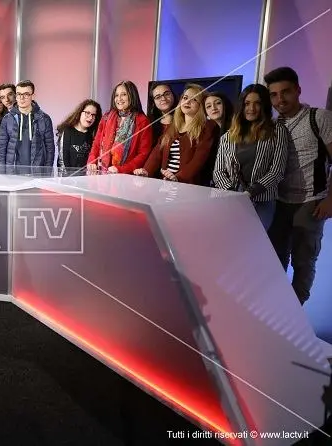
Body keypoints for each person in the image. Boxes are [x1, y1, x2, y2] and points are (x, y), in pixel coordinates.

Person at [264, 66, 332, 305]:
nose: (280, 99)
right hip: (280, 201)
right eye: (273, 94)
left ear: (298, 90)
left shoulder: (320, 117)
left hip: (311, 201)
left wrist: (330, 199)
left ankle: (295, 314)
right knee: (275, 258)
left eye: (286, 92)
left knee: (303, 260)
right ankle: (276, 309)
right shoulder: (272, 125)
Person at [213, 84, 288, 229]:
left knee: (254, 244)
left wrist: (250, 193)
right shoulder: (228, 136)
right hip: (232, 200)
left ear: (264, 105)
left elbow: (277, 171)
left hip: (262, 200)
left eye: (257, 103)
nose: (251, 108)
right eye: (247, 103)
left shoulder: (277, 131)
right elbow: (218, 172)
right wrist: (234, 194)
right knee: (232, 243)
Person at [136, 83, 219, 185]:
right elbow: (157, 152)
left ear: (201, 105)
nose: (187, 101)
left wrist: (178, 177)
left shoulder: (208, 127)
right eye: (185, 97)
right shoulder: (173, 126)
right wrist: (146, 171)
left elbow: (198, 160)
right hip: (165, 183)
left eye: (194, 99)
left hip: (187, 185)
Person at [87, 81, 152, 173]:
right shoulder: (107, 116)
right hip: (101, 172)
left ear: (132, 96)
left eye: (124, 94)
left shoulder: (143, 121)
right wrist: (92, 160)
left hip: (125, 176)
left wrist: (121, 169)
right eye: (116, 95)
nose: (119, 99)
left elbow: (143, 154)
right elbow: (97, 143)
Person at [0, 80, 55, 166]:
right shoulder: (7, 119)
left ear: (33, 96)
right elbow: (2, 150)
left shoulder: (44, 118)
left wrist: (47, 172)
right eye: (19, 94)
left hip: (37, 173)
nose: (21, 98)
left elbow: (50, 149)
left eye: (26, 94)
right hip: (13, 173)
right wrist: (3, 174)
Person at [55, 99, 102, 168]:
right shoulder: (67, 131)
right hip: (67, 177)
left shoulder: (93, 135)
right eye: (87, 113)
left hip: (87, 177)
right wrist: (70, 178)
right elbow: (63, 162)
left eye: (93, 115)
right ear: (80, 113)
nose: (90, 117)